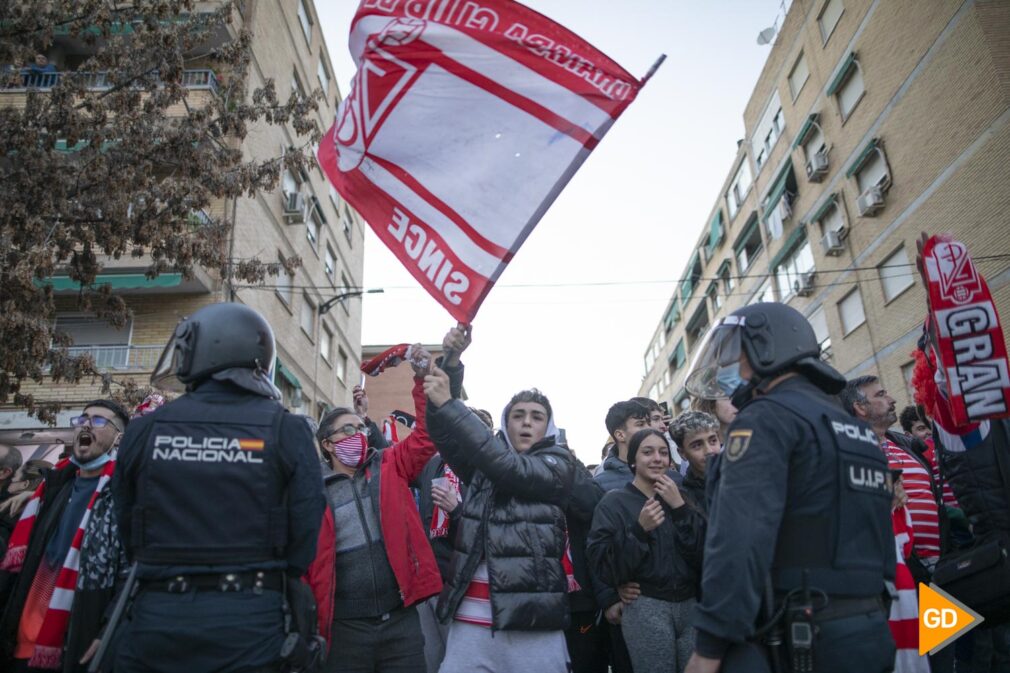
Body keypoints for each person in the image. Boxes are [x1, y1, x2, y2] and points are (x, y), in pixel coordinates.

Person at [111, 302, 324, 673]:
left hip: (157, 617)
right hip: (252, 620)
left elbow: (125, 521)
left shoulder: (145, 429)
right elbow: (306, 526)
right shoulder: (287, 429)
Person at [682, 302, 895, 673]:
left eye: (738, 357)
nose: (731, 371)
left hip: (803, 638)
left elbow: (739, 538)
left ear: (769, 349)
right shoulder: (857, 431)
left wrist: (708, 648)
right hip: (870, 629)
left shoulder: (764, 420)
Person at [305, 326, 468, 673]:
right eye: (347, 430)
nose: (358, 435)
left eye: (361, 429)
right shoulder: (311, 490)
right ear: (328, 445)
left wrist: (421, 378)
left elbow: (426, 435)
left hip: (400, 621)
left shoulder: (389, 464)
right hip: (345, 627)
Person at [424, 377, 576, 673]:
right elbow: (443, 433)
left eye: (536, 416)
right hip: (468, 618)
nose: (526, 423)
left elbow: (510, 469)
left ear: (549, 426)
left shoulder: (558, 463)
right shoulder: (486, 464)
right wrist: (450, 367)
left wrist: (452, 404)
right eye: (517, 416)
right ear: (506, 424)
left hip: (531, 621)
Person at [0, 400, 129, 672]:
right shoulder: (51, 491)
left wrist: (107, 631)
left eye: (97, 421)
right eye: (81, 419)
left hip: (74, 645)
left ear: (119, 437)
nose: (85, 425)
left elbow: (128, 571)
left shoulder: (123, 496)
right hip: (21, 644)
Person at [588, 429, 704, 673]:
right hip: (646, 606)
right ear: (633, 460)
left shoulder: (683, 498)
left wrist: (681, 509)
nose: (657, 459)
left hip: (691, 605)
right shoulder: (613, 502)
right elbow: (602, 564)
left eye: (663, 452)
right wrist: (639, 530)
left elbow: (703, 555)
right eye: (647, 452)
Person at [841, 376, 943, 573]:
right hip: (903, 569)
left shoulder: (906, 445)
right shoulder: (852, 455)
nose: (892, 399)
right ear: (860, 408)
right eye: (881, 395)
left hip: (942, 558)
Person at [668, 411, 721, 516]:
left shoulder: (742, 478)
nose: (709, 451)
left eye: (713, 441)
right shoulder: (682, 498)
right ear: (682, 453)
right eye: (697, 445)